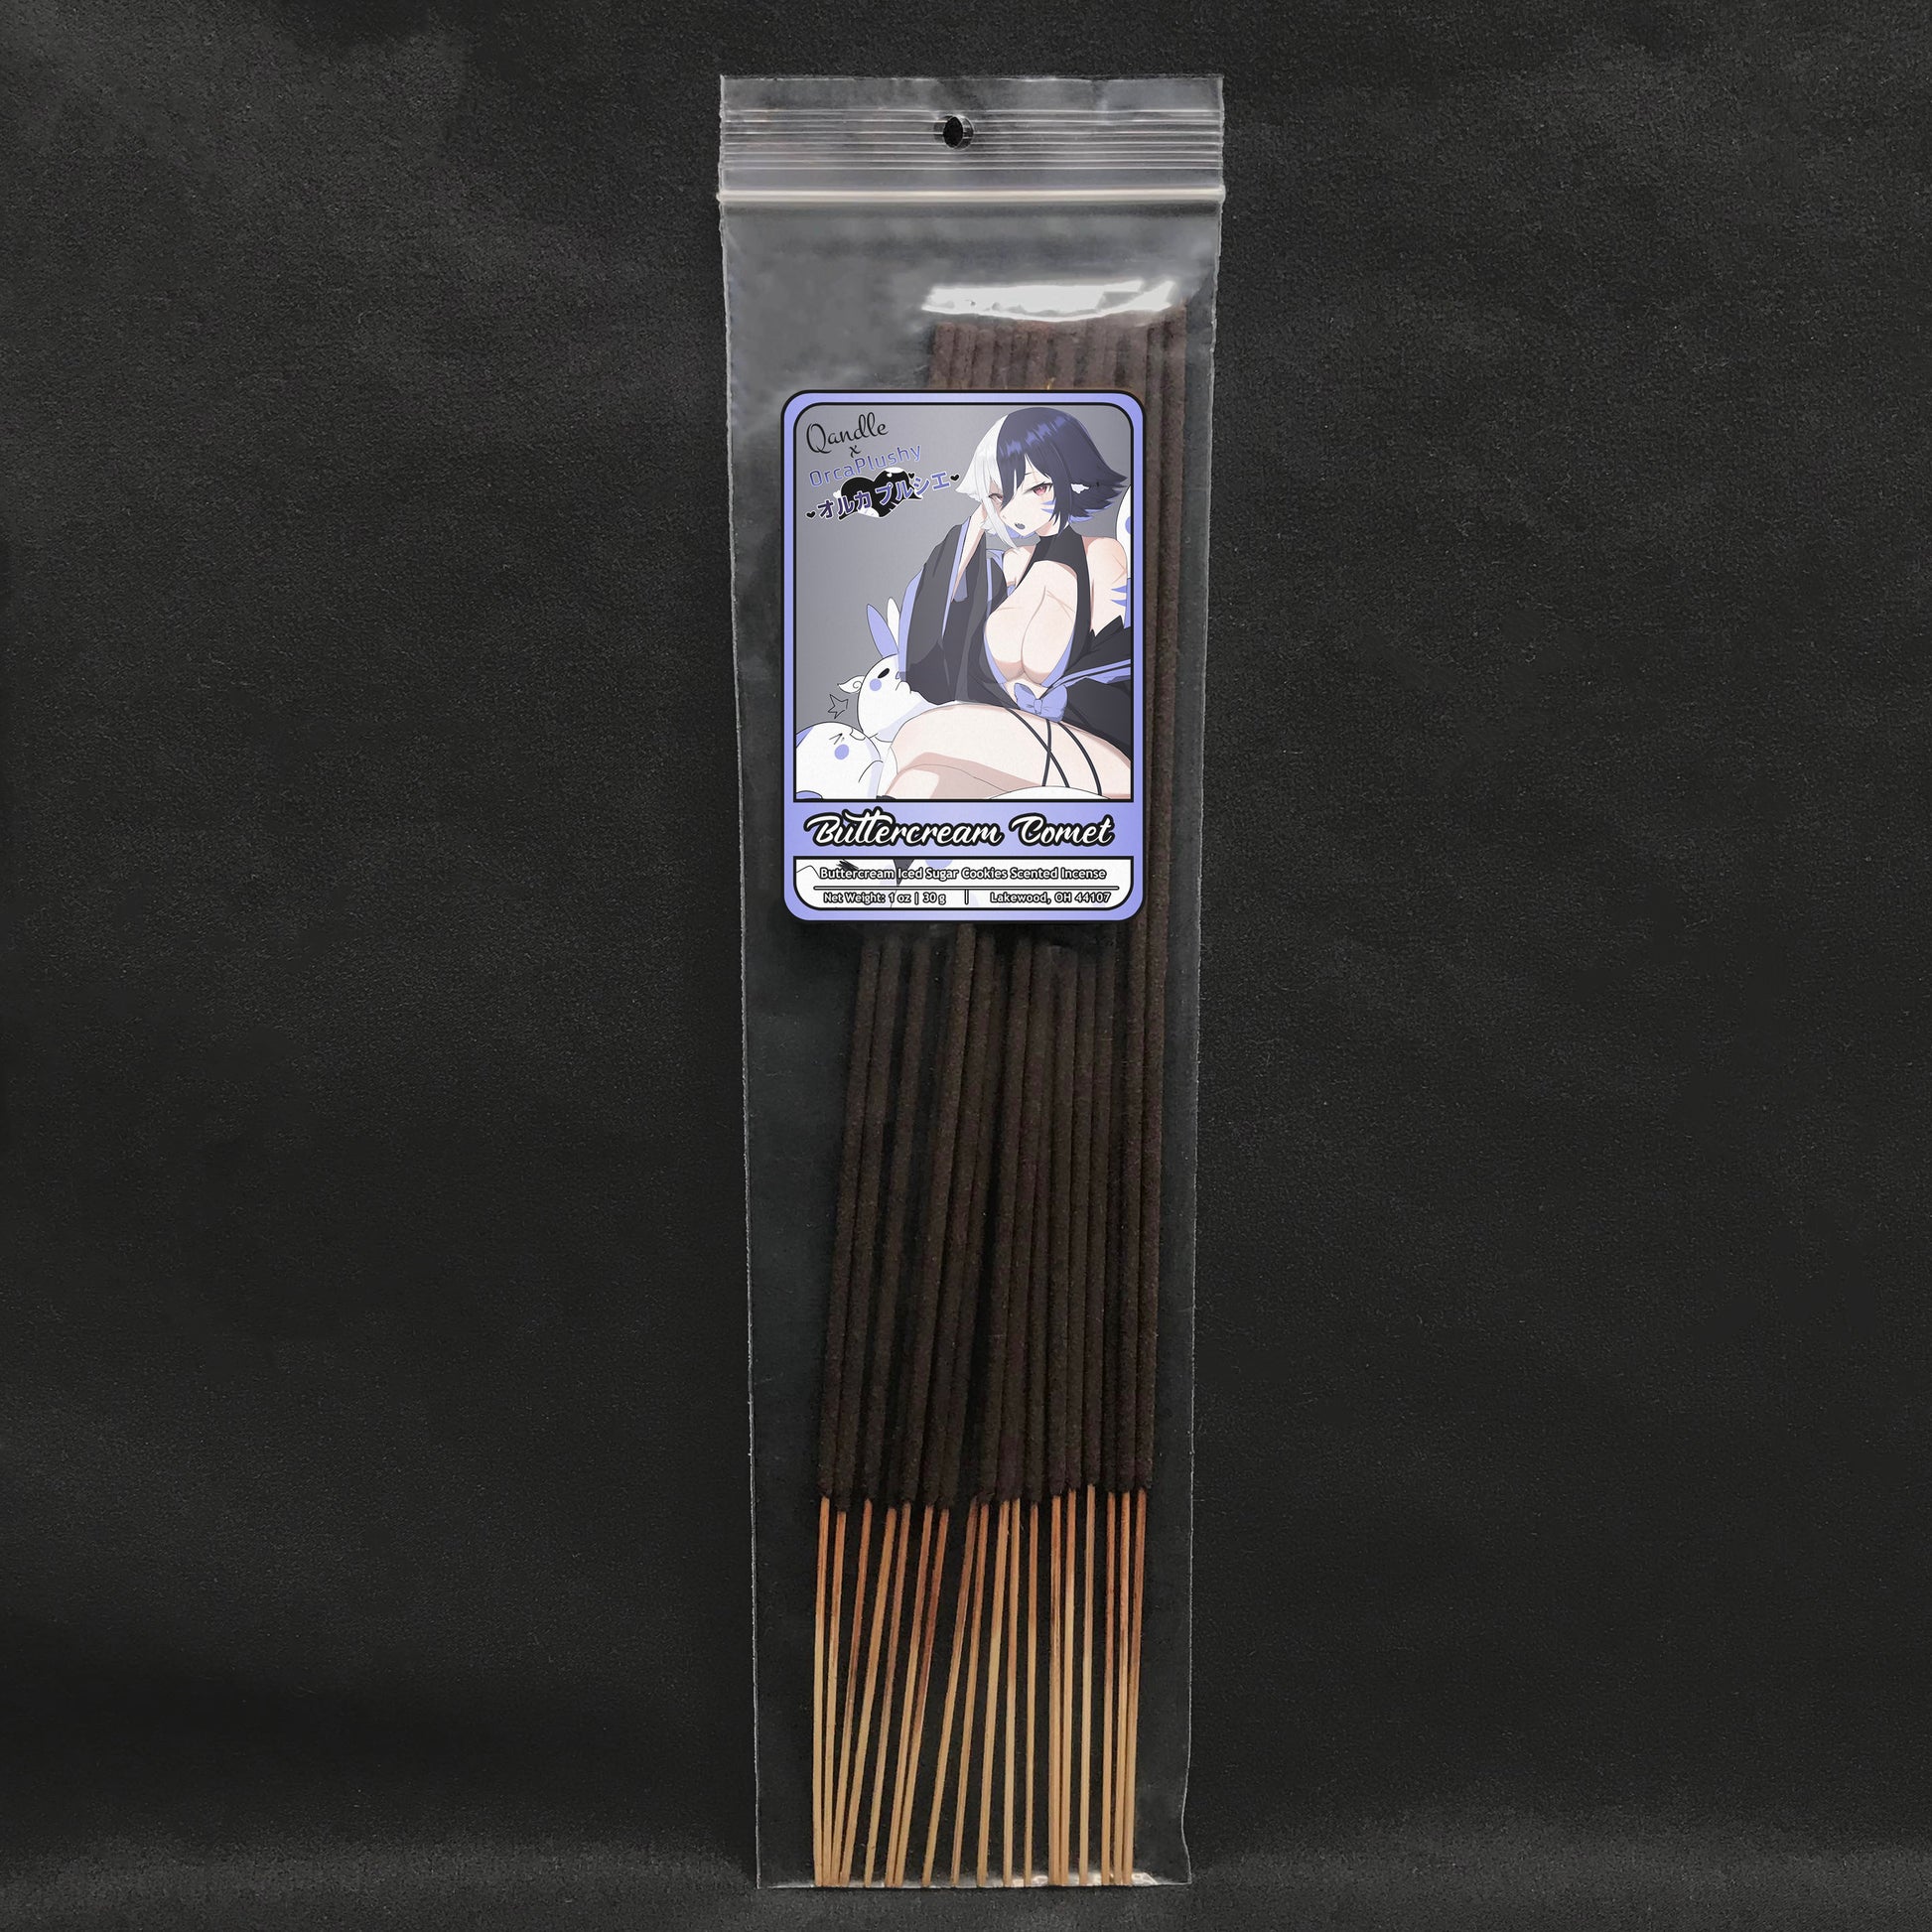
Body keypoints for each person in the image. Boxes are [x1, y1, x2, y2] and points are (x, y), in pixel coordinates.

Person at [888, 408, 1133, 801]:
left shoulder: (1102, 557)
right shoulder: (1011, 567)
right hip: (1014, 747)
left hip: (1097, 749)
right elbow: (936, 644)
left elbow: (1117, 664)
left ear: (1072, 479)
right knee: (917, 781)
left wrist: (1057, 701)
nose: (1011, 509)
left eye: (1037, 488)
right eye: (1000, 494)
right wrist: (975, 526)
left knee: (918, 737)